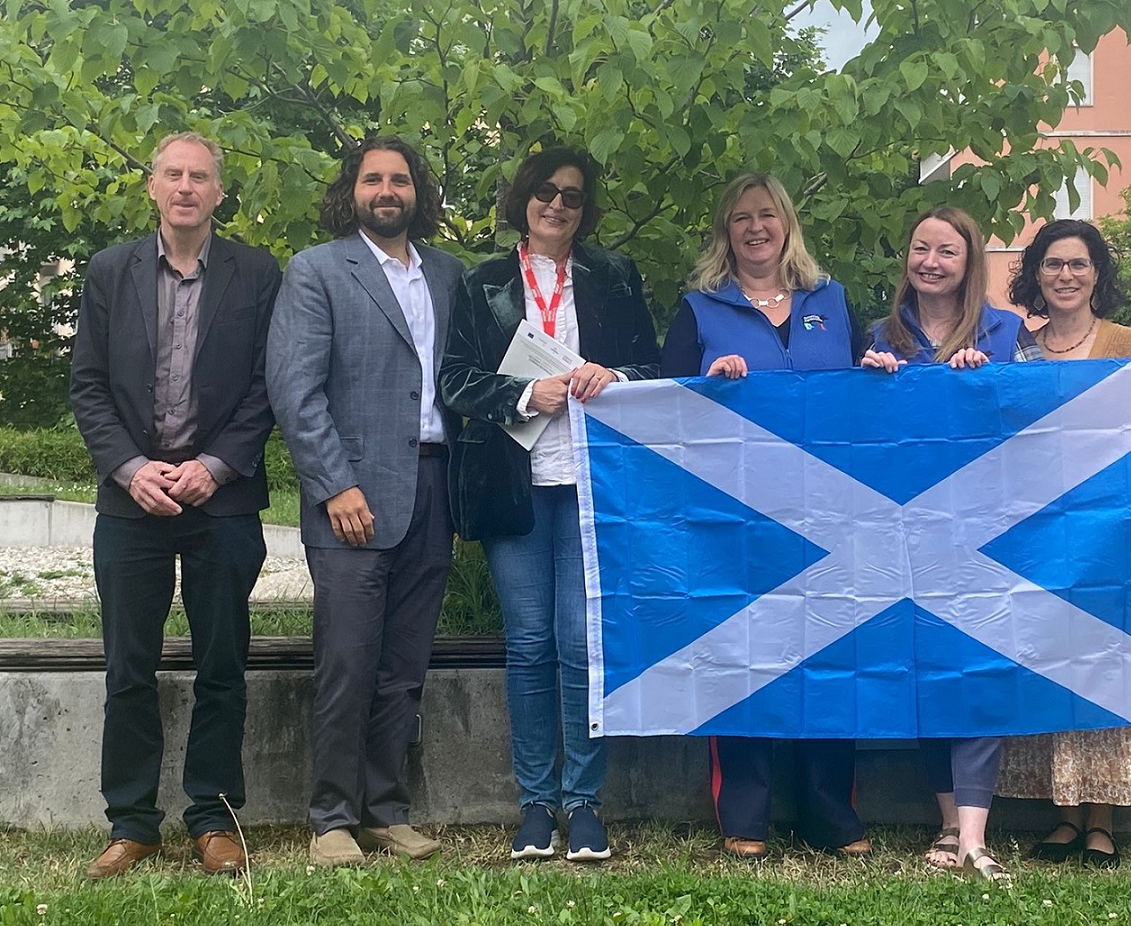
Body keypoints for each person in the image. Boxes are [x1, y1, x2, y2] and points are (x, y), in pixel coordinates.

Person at [439, 146, 659, 862]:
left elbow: (653, 369)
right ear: (524, 199)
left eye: (571, 195)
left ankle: (584, 801)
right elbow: (454, 380)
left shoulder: (615, 276)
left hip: (594, 484)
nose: (557, 204)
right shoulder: (486, 282)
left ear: (584, 208)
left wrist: (614, 374)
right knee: (529, 644)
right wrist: (523, 395)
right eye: (545, 192)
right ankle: (535, 803)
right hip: (513, 481)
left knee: (579, 643)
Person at [70, 131, 279, 879]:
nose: (186, 186)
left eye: (200, 176)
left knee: (223, 662)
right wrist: (131, 470)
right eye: (173, 174)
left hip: (220, 502)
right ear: (152, 188)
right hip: (132, 504)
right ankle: (132, 822)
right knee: (129, 663)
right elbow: (88, 386)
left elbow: (268, 387)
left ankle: (213, 818)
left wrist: (215, 467)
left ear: (219, 192)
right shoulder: (108, 272)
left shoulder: (257, 274)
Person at [660, 172, 870, 860]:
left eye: (767, 215)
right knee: (743, 655)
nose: (756, 227)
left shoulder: (832, 301)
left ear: (787, 224)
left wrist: (881, 371)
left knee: (830, 659)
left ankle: (830, 814)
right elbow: (664, 406)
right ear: (726, 230)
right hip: (737, 516)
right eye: (741, 217)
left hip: (831, 513)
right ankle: (745, 813)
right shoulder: (698, 309)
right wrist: (704, 384)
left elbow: (867, 383)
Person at [267, 135, 462, 867]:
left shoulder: (448, 274)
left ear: (418, 192)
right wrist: (334, 483)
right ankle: (330, 818)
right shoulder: (318, 270)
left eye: (401, 178)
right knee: (347, 662)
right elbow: (296, 389)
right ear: (354, 190)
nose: (388, 189)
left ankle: (386, 810)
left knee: (404, 666)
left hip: (435, 487)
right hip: (353, 494)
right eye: (374, 178)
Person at [861, 204, 1041, 882]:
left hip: (985, 531)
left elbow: (1034, 418)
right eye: (921, 248)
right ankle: (944, 819)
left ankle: (975, 832)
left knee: (978, 669)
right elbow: (857, 440)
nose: (931, 261)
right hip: (906, 534)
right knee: (925, 670)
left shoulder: (1006, 331)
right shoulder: (883, 334)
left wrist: (989, 385)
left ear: (971, 264)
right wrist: (866, 383)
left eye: (947, 251)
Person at [992, 219, 1131, 868]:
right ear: (1035, 274)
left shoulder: (1129, 343)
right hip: (1040, 537)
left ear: (1098, 274)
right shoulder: (1020, 350)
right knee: (1053, 668)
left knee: (1106, 671)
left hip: (1111, 533)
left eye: (1079, 263)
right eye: (1054, 263)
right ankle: (1064, 814)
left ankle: (1103, 818)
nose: (1066, 274)